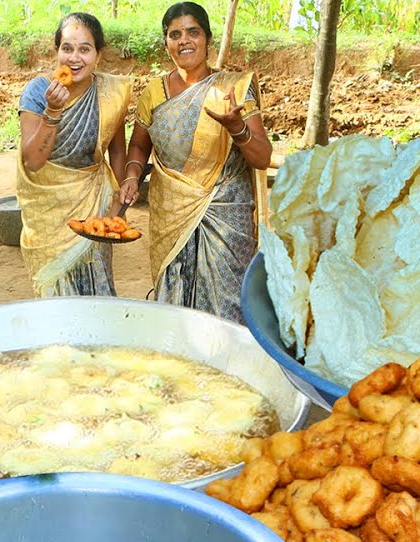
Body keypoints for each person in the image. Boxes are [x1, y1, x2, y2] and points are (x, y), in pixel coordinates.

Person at [118, 1, 272, 323]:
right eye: (175, 34)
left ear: (207, 39)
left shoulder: (233, 89)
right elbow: (138, 147)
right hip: (170, 215)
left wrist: (237, 128)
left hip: (226, 214)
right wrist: (132, 176)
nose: (184, 40)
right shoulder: (153, 93)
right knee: (175, 306)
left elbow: (262, 157)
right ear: (166, 43)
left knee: (228, 306)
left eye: (193, 32)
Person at [16, 13, 131, 297]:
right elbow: (32, 160)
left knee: (96, 284)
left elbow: (117, 150)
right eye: (67, 48)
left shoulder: (109, 92)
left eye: (84, 48)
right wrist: (52, 112)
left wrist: (119, 206)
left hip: (94, 203)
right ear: (57, 51)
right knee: (55, 289)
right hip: (48, 210)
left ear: (98, 54)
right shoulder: (38, 91)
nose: (74, 58)